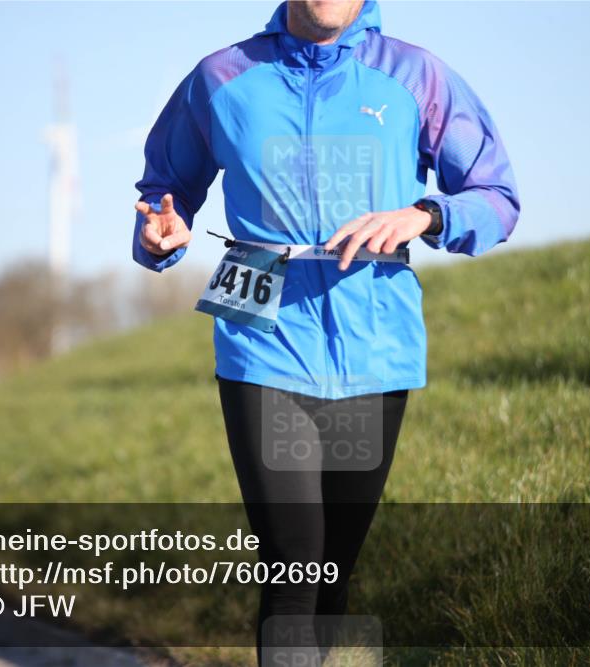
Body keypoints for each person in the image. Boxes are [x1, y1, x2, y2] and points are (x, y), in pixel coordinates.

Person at [132, 1, 519, 662]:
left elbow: (495, 197)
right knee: (294, 564)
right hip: (259, 333)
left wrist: (423, 215)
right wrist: (161, 236)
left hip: (375, 343)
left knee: (332, 571)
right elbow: (165, 188)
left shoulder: (416, 76)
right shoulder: (221, 77)